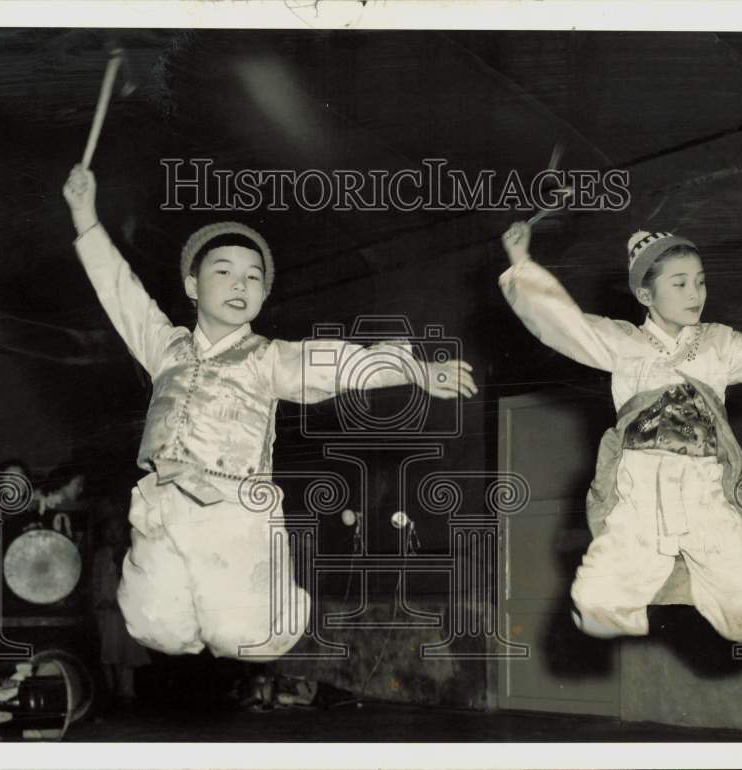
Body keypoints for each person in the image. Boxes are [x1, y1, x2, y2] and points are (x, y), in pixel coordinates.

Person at [62, 165, 477, 661]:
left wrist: (411, 370)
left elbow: (334, 364)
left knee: (247, 638)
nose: (240, 284)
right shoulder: (165, 346)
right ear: (192, 286)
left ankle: (271, 607)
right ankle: (189, 617)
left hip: (233, 507)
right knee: (157, 630)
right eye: (224, 272)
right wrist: (84, 215)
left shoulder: (268, 358)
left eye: (253, 277)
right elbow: (121, 294)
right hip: (165, 502)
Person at [499, 223, 742, 643]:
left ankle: (703, 581)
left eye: (699, 282)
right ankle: (661, 580)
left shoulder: (719, 345)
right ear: (646, 295)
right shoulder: (622, 343)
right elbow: (562, 322)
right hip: (640, 495)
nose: (695, 294)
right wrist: (521, 264)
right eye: (679, 284)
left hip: (704, 493)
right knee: (596, 604)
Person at [91, 514, 150, 710]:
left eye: (117, 529)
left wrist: (125, 601)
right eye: (109, 529)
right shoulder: (100, 556)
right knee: (108, 652)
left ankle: (126, 693)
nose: (113, 534)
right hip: (106, 611)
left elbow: (139, 582)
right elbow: (95, 583)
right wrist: (101, 601)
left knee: (126, 653)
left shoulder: (132, 554)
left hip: (126, 611)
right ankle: (110, 691)